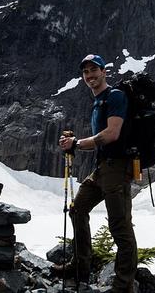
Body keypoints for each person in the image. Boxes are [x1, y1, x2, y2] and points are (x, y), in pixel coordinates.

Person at [56, 54, 138, 292]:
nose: (90, 75)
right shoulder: (98, 101)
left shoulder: (115, 96)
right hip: (103, 168)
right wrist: (74, 144)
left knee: (120, 225)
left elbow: (112, 134)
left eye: (94, 70)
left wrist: (76, 144)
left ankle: (123, 285)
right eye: (86, 72)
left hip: (118, 167)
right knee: (77, 209)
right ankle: (80, 267)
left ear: (104, 71)